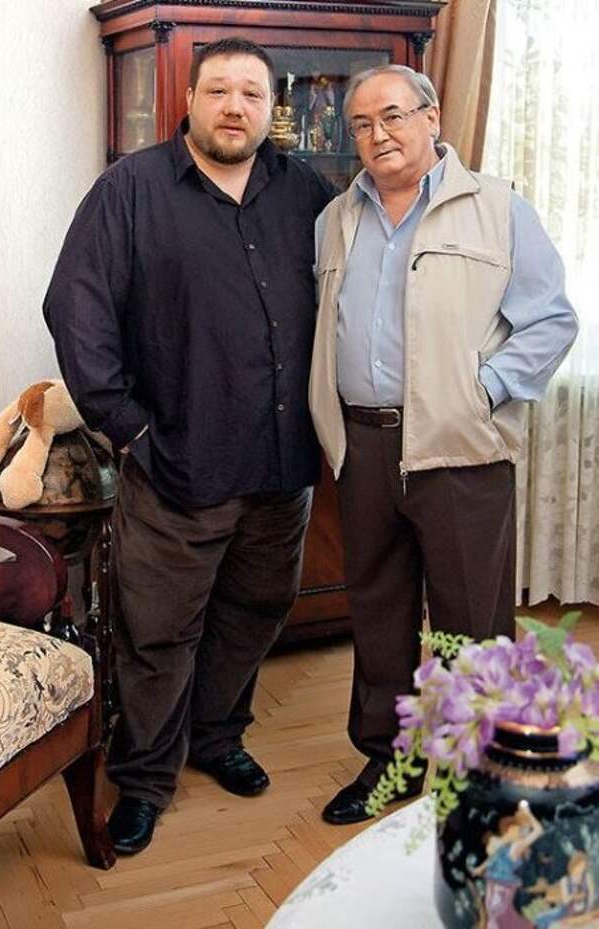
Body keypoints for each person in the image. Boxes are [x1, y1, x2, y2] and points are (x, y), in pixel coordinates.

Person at [44, 37, 334, 854]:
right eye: (219, 91)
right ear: (190, 101)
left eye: (251, 93)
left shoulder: (307, 192)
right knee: (158, 632)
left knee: (253, 611)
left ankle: (216, 735)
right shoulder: (130, 190)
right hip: (178, 463)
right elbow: (76, 310)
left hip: (281, 464)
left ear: (271, 107)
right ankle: (143, 778)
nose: (235, 107)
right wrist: (131, 428)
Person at [309, 64, 579, 825]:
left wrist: (481, 390)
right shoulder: (335, 219)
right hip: (363, 446)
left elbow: (551, 320)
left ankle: (481, 776)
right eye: (361, 124)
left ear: (431, 117)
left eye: (393, 115)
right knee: (378, 615)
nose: (377, 134)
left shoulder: (498, 207)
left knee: (472, 623)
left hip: (461, 450)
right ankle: (390, 762)